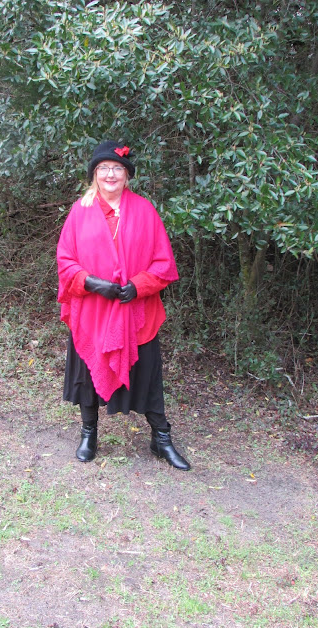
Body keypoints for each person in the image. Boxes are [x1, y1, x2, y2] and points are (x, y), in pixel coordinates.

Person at [56, 140, 190, 471]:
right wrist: (91, 282)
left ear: (127, 175)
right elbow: (65, 260)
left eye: (117, 168)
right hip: (93, 312)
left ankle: (161, 439)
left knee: (148, 375)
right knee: (87, 374)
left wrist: (138, 286)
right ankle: (89, 434)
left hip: (135, 312)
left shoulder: (145, 210)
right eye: (103, 168)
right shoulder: (80, 211)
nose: (110, 175)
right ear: (94, 174)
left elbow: (164, 263)